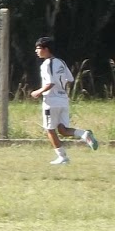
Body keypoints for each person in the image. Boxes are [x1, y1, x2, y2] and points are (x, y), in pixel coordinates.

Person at [30, 36, 98, 165]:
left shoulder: (46, 64)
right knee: (63, 130)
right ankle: (84, 134)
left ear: (46, 49)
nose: (36, 51)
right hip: (63, 99)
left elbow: (50, 83)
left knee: (49, 130)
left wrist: (37, 92)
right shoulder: (61, 62)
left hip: (51, 101)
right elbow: (70, 79)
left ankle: (62, 157)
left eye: (38, 48)